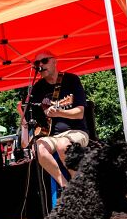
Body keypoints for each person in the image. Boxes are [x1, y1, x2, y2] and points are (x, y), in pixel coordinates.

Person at [21, 51, 89, 187]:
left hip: (76, 132)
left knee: (62, 144)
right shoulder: (37, 88)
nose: (40, 65)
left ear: (55, 61)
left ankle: (78, 186)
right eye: (37, 63)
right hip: (50, 135)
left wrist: (59, 113)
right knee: (38, 148)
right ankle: (66, 186)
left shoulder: (71, 80)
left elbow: (80, 113)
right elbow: (30, 116)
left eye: (44, 61)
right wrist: (24, 119)